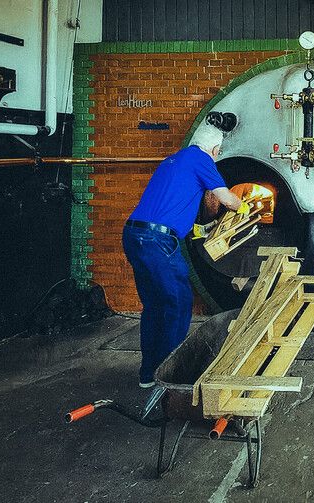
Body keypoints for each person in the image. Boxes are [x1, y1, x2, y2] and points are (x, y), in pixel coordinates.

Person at [122, 124, 246, 387]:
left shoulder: (175, 159)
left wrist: (199, 227)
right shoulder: (201, 158)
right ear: (215, 149)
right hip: (157, 240)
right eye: (218, 152)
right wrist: (243, 206)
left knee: (155, 306)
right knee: (179, 302)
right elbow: (226, 199)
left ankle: (148, 375)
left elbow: (178, 202)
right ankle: (172, 376)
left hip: (134, 235)